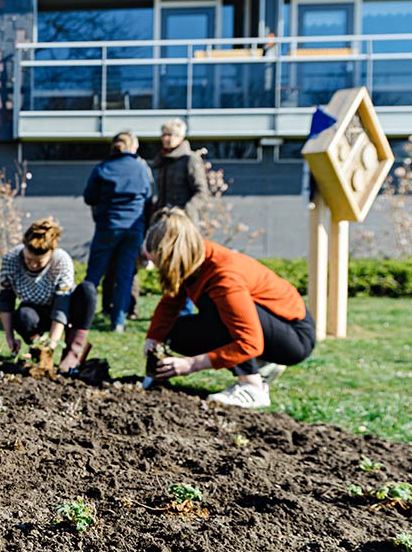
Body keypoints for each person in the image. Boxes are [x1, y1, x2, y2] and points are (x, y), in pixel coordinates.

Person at [143, 208, 316, 409]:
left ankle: (252, 387)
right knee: (175, 331)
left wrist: (191, 364)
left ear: (175, 258)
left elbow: (249, 343)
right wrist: (153, 338)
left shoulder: (224, 277)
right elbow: (171, 302)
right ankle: (262, 365)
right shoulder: (194, 258)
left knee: (216, 311)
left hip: (294, 336)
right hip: (265, 330)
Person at [0, 217, 96, 373]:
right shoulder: (11, 259)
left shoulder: (61, 261)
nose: (33, 265)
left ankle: (71, 353)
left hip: (66, 310)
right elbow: (6, 301)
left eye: (39, 262)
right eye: (28, 260)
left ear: (51, 254)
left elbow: (61, 308)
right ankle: (38, 350)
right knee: (23, 316)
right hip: (35, 312)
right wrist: (10, 337)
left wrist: (52, 345)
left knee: (88, 290)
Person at [82, 130, 152, 332]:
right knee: (125, 275)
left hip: (108, 226)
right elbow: (148, 198)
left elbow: (89, 197)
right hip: (133, 229)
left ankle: (82, 318)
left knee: (94, 275)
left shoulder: (103, 168)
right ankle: (119, 322)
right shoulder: (142, 169)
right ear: (134, 147)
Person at [150, 118, 208, 214]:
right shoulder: (162, 161)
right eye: (164, 135)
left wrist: (186, 210)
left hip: (184, 219)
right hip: (163, 217)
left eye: (169, 135)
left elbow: (202, 193)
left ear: (180, 137)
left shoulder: (190, 159)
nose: (165, 138)